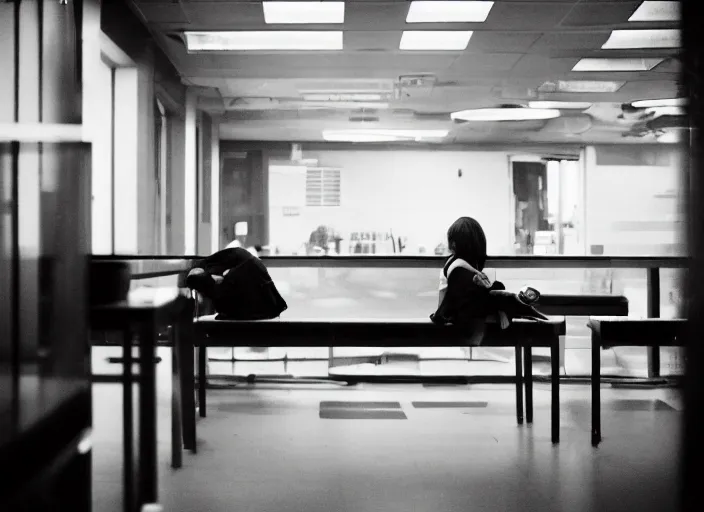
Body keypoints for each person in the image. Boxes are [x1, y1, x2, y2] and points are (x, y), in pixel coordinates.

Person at [431, 216, 547, 345]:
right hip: (466, 321)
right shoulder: (461, 269)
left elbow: (453, 295)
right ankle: (541, 319)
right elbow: (470, 299)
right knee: (502, 291)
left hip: (461, 318)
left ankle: (534, 315)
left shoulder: (454, 264)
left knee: (500, 291)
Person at [185, 245, 287, 320]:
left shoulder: (210, 271)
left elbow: (218, 284)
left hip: (247, 269)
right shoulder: (210, 267)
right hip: (250, 269)